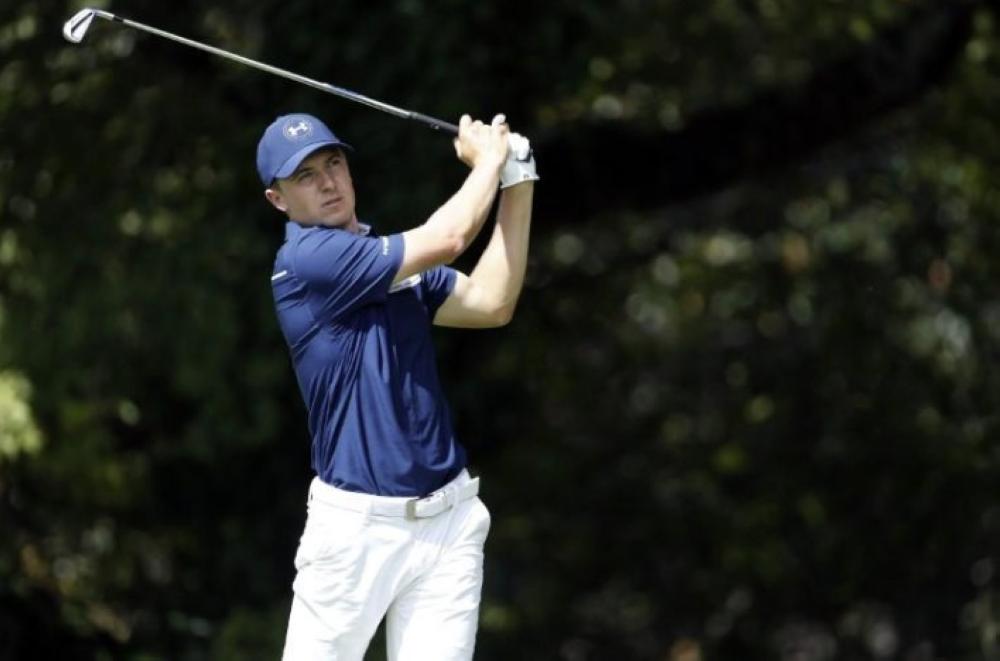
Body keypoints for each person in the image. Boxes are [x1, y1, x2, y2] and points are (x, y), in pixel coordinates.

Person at [256, 110, 537, 660]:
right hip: (356, 532)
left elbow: (491, 302)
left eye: (333, 163)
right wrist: (488, 164)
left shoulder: (385, 261)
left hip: (448, 523)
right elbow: (451, 237)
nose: (328, 182)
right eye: (305, 176)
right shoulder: (307, 261)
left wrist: (517, 182)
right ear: (279, 201)